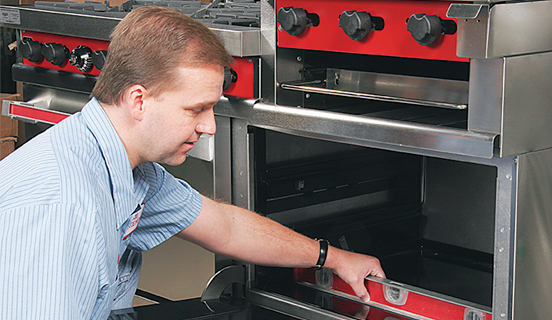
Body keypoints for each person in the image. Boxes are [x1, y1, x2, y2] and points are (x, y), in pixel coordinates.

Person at [0, 5, 385, 320]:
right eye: (196, 109)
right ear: (138, 100)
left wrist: (333, 258)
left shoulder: (127, 168)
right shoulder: (59, 205)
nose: (210, 127)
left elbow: (227, 228)